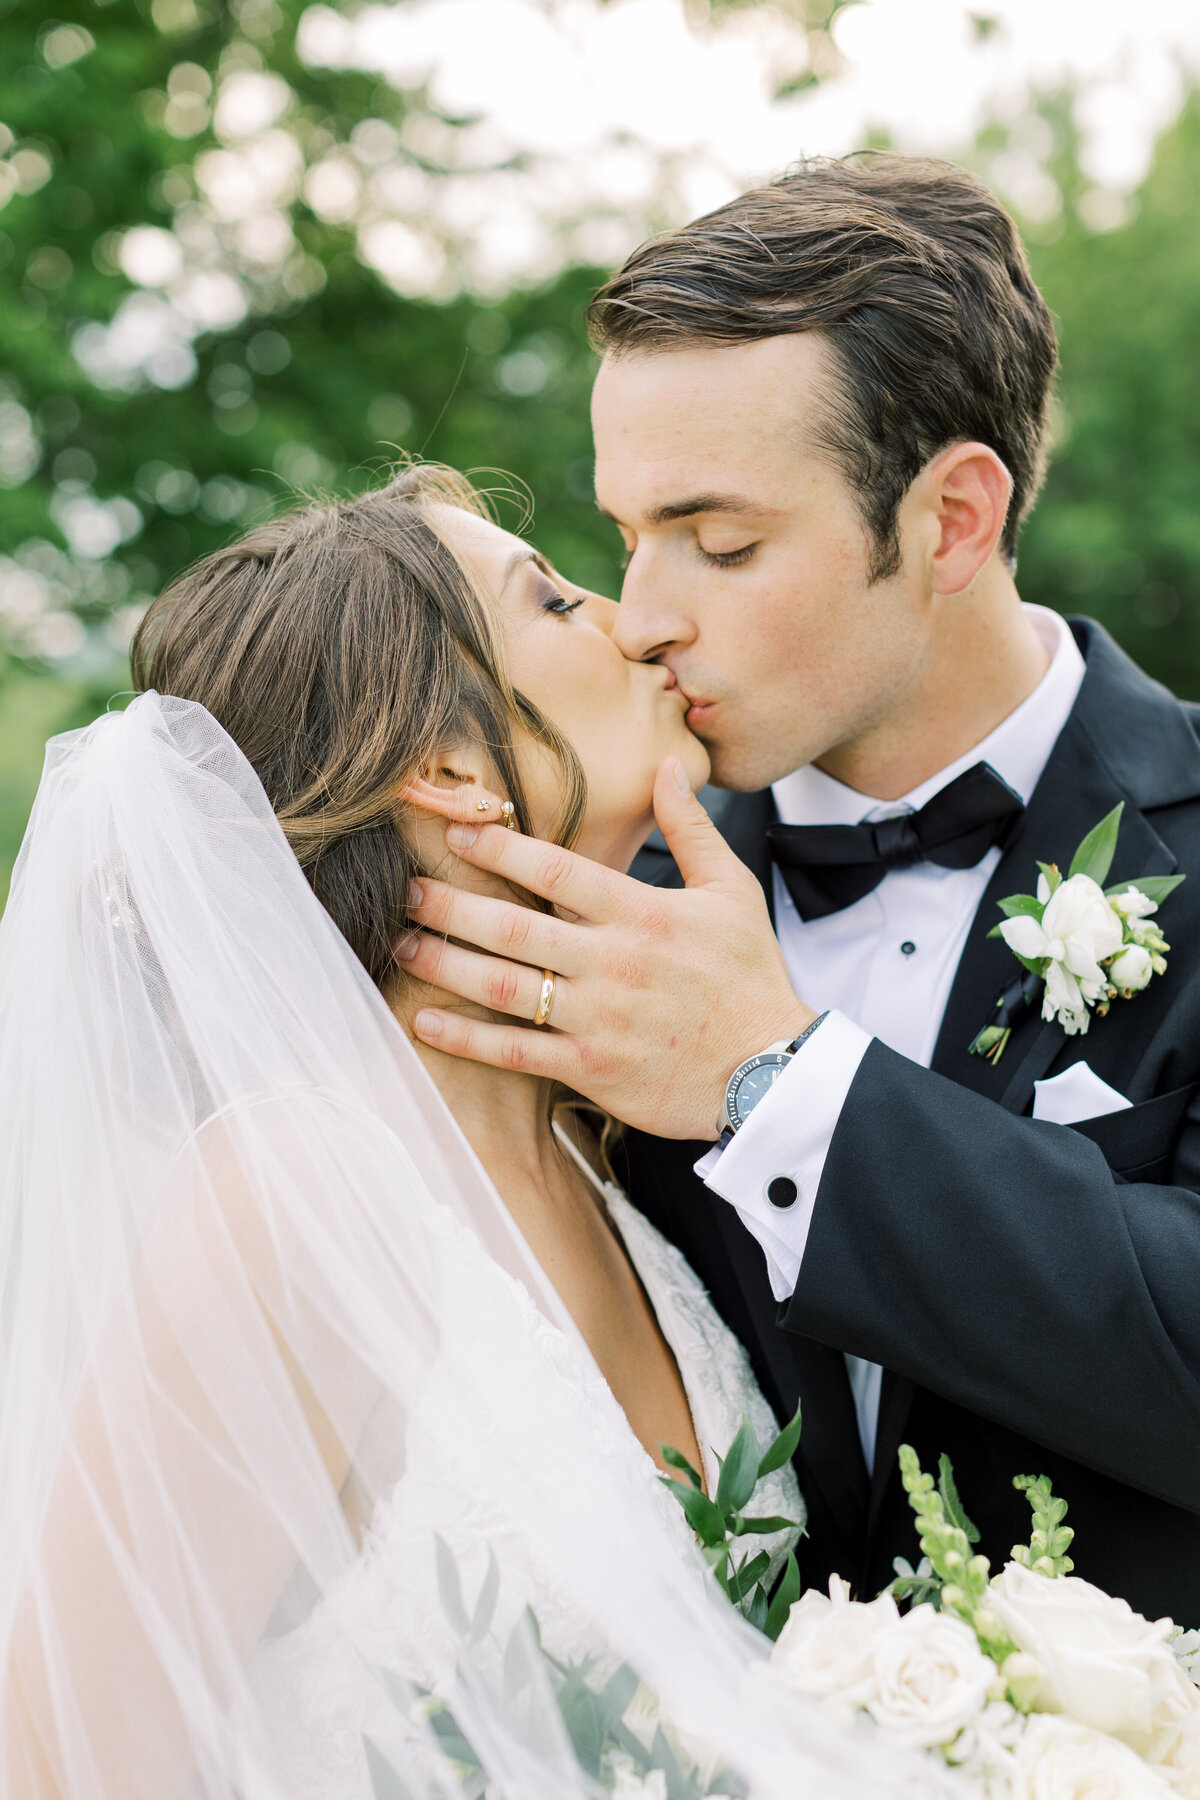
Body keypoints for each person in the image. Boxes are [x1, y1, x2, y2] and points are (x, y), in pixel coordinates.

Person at [0, 467, 909, 1800]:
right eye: (550, 596)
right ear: (444, 770)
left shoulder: (624, 1169)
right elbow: (63, 1760)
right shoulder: (293, 1198)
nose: (631, 617)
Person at [403, 154, 1200, 1625]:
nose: (643, 617)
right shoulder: (587, 910)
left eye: (721, 544)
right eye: (629, 539)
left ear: (954, 519)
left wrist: (782, 1089)